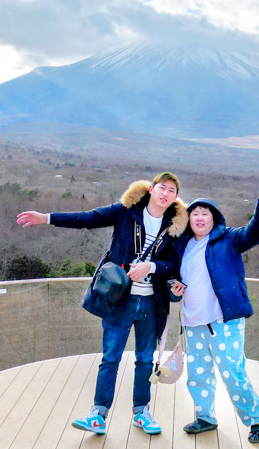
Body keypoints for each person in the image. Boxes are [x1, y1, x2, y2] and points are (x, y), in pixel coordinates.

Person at [17, 173, 187, 435]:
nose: (165, 194)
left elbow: (175, 264)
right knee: (110, 358)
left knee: (145, 360)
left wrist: (150, 266)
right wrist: (46, 218)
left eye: (171, 191)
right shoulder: (126, 211)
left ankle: (141, 412)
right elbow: (88, 218)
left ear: (175, 197)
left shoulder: (175, 228)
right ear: (151, 189)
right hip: (120, 300)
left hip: (152, 304)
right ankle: (98, 414)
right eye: (161, 188)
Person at [169, 190, 259, 444]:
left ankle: (255, 419)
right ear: (188, 219)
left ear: (214, 218)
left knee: (232, 372)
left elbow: (254, 234)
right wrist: (173, 290)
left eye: (205, 213)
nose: (199, 217)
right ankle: (205, 417)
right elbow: (173, 282)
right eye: (194, 213)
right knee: (197, 374)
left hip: (223, 321)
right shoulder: (182, 246)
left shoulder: (229, 239)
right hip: (193, 322)